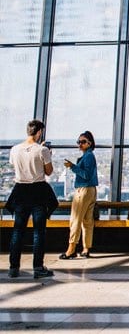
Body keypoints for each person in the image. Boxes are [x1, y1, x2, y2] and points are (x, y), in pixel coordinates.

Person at [6, 120, 58, 279]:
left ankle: (14, 267)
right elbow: (48, 172)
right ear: (39, 132)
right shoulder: (42, 150)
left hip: (20, 191)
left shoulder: (14, 149)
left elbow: (14, 166)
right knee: (38, 232)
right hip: (38, 192)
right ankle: (38, 267)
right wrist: (47, 154)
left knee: (18, 231)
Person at [60, 131, 98, 259]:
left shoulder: (88, 157)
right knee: (87, 220)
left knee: (75, 219)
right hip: (91, 190)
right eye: (78, 142)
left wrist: (72, 167)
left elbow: (86, 175)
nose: (80, 144)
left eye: (83, 142)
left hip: (83, 190)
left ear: (90, 143)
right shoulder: (90, 156)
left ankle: (71, 249)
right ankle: (86, 248)